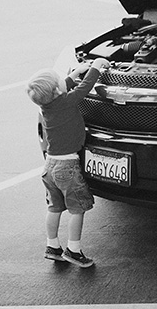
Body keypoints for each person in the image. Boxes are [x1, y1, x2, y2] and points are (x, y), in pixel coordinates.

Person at [26, 58, 111, 268]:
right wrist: (96, 66)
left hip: (50, 166)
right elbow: (85, 87)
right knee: (77, 209)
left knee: (54, 208)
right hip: (67, 168)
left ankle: (52, 246)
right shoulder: (67, 101)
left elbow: (61, 87)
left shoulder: (47, 105)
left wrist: (73, 75)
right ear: (57, 91)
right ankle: (74, 250)